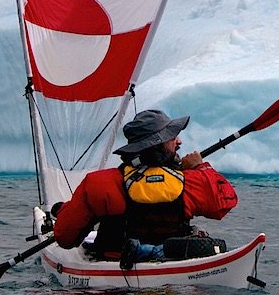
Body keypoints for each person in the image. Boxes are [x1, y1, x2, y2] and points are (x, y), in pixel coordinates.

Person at [52, 109, 238, 268]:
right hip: (173, 271)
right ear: (157, 143)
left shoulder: (99, 183)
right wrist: (200, 167)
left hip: (112, 276)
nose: (179, 141)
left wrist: (63, 211)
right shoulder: (189, 182)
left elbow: (65, 237)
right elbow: (225, 201)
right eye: (172, 137)